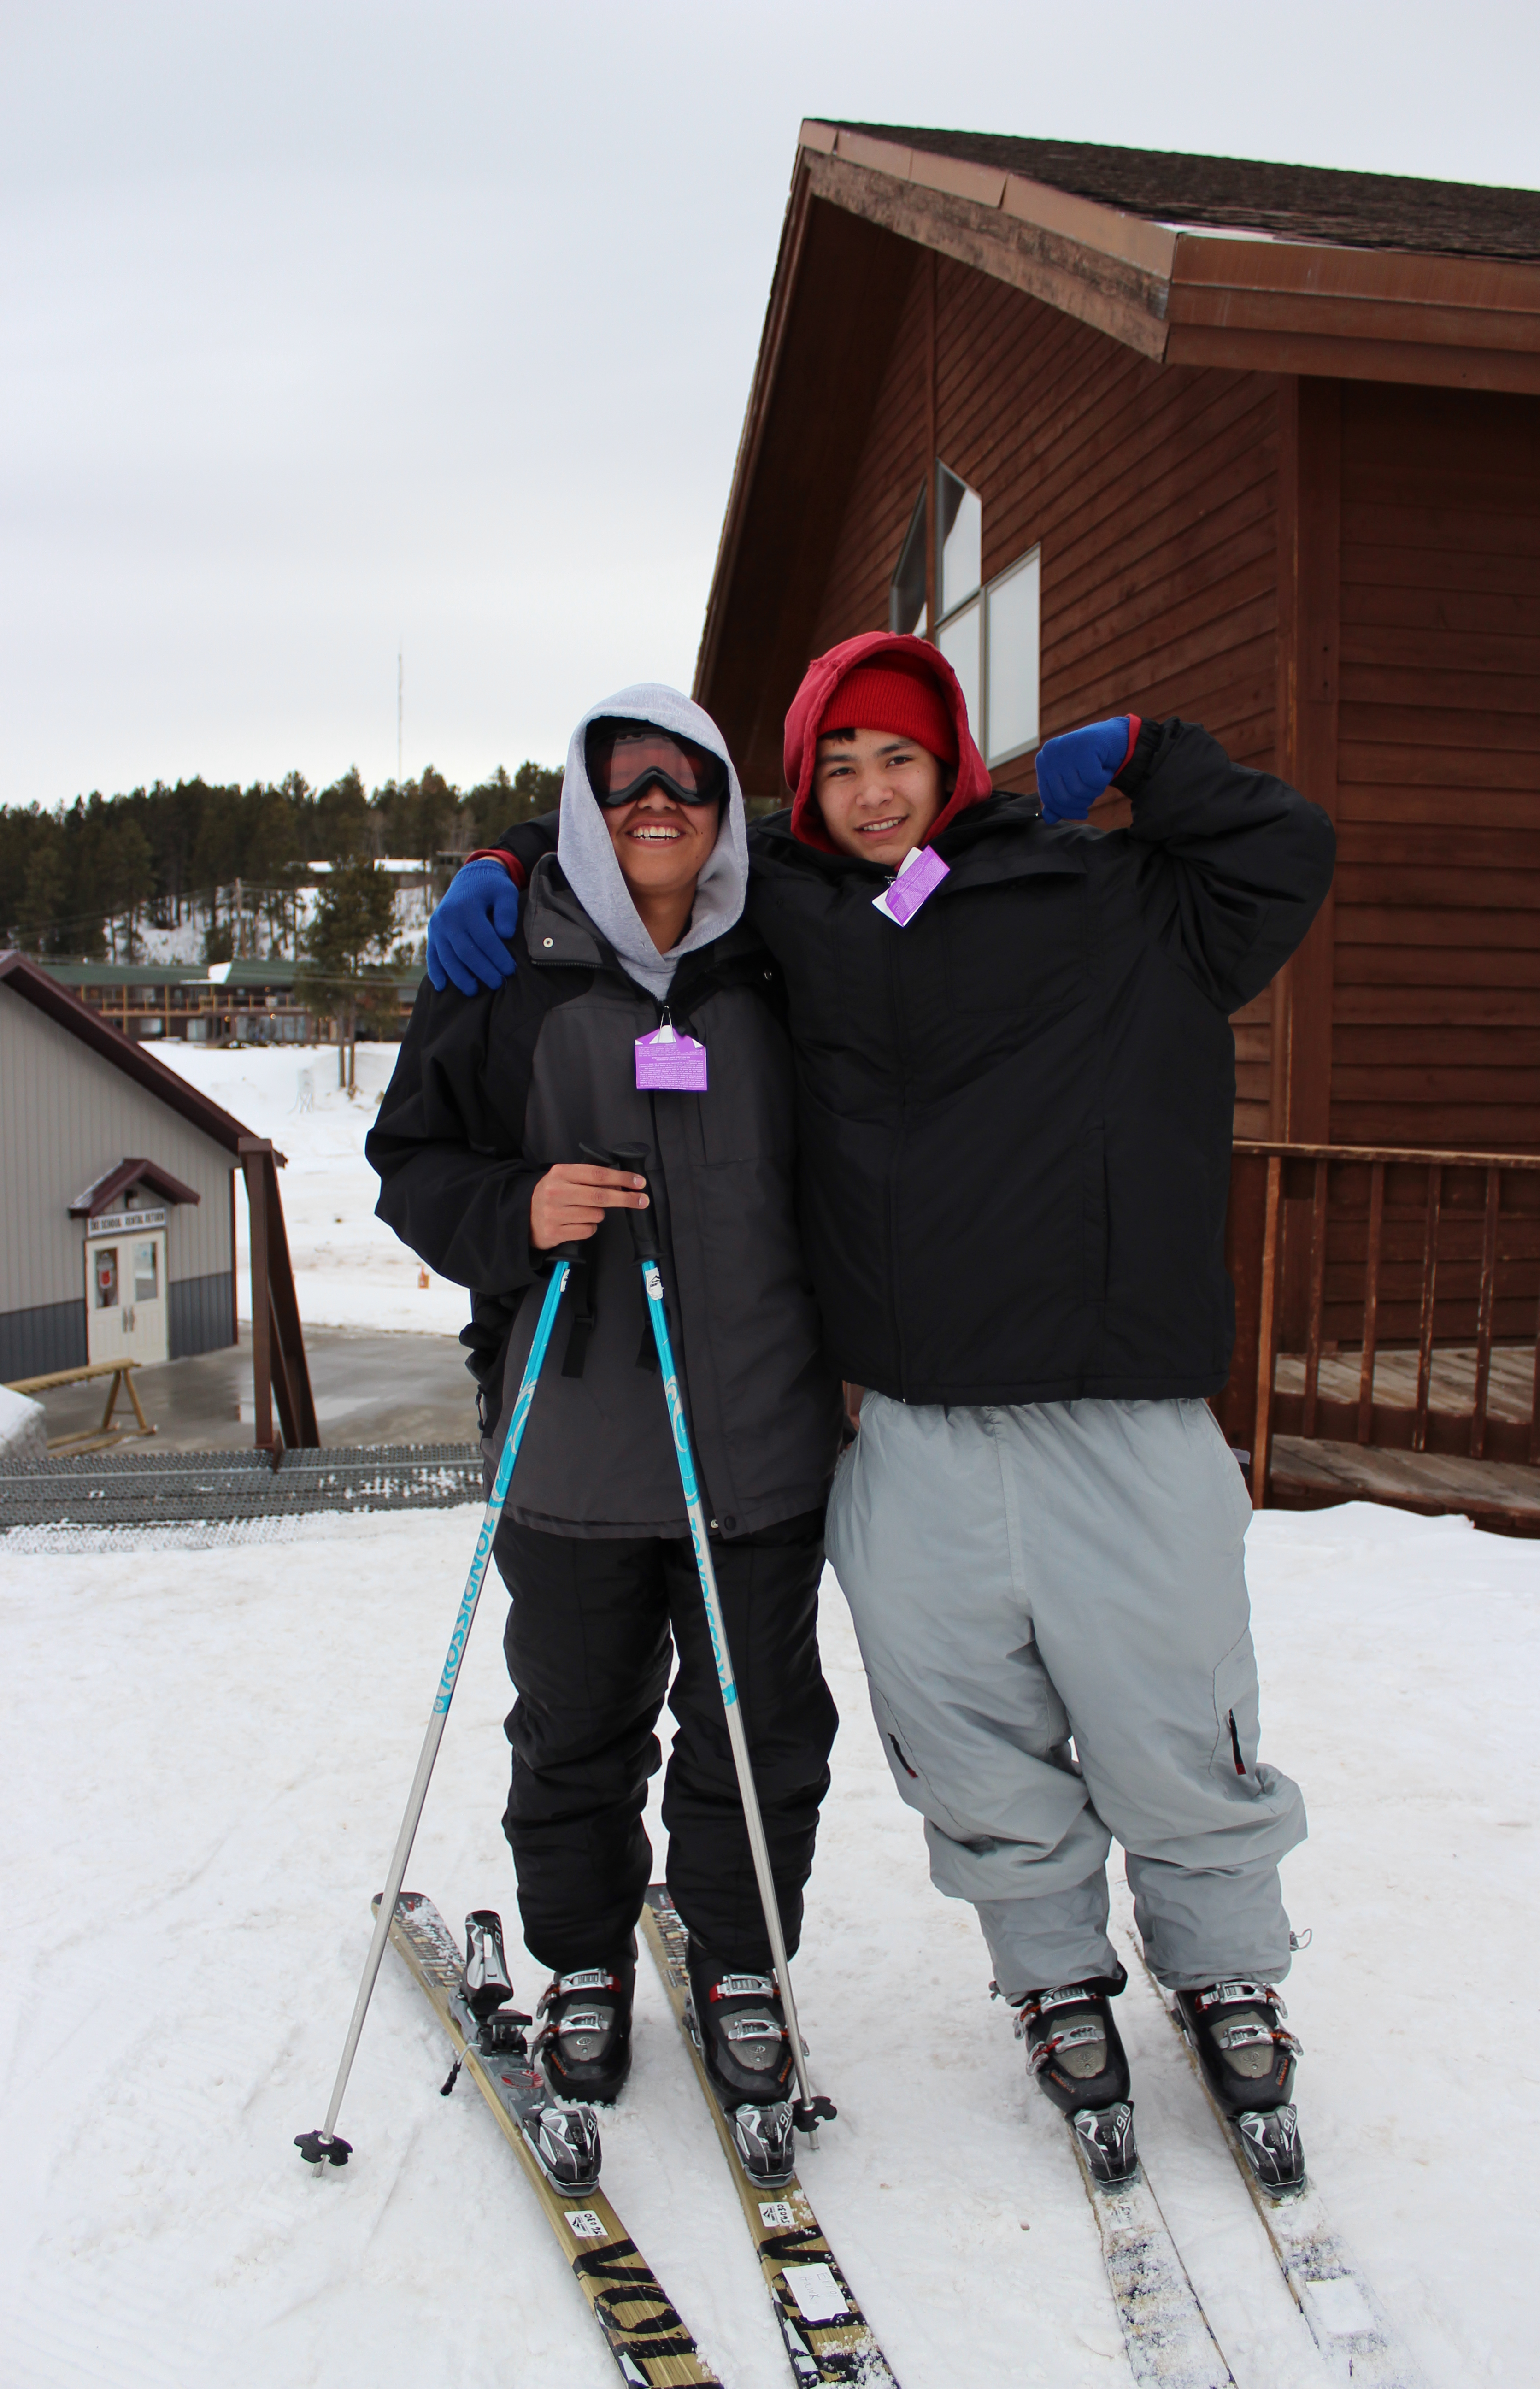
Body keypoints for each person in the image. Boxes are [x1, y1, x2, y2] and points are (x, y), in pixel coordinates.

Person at [424, 635, 1334, 2188]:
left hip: (1110, 1393)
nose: (868, 791)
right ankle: (1053, 1976)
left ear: (957, 761)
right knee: (971, 1738)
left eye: (900, 757)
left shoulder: (1118, 890)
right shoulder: (794, 913)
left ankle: (1227, 1967)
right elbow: (652, 841)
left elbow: (1284, 847)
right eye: (836, 765)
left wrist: (1136, 747)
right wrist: (506, 860)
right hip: (907, 1420)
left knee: (1172, 1710)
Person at [367, 686, 841, 2165]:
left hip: (758, 1429)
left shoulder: (782, 948)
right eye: (623, 779)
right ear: (584, 798)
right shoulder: (508, 958)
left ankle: (737, 1953)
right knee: (577, 1725)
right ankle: (582, 1955)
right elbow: (409, 1159)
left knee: (759, 1724)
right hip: (570, 1434)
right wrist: (516, 1212)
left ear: (724, 808)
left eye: (687, 781)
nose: (655, 804)